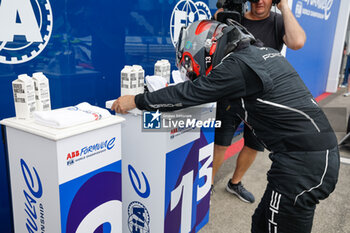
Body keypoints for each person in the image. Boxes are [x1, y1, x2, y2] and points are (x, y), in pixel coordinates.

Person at [112, 19, 338, 233]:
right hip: (308, 159)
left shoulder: (238, 66)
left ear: (206, 50)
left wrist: (136, 100)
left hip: (303, 165)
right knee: (261, 222)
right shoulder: (261, 53)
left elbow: (189, 93)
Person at [212, 0, 306, 203]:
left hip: (261, 98)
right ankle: (207, 187)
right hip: (230, 94)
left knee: (254, 144)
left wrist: (285, 7)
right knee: (220, 144)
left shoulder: (278, 21)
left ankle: (234, 183)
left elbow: (297, 42)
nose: (260, 1)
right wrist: (217, 19)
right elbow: (211, 45)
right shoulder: (233, 18)